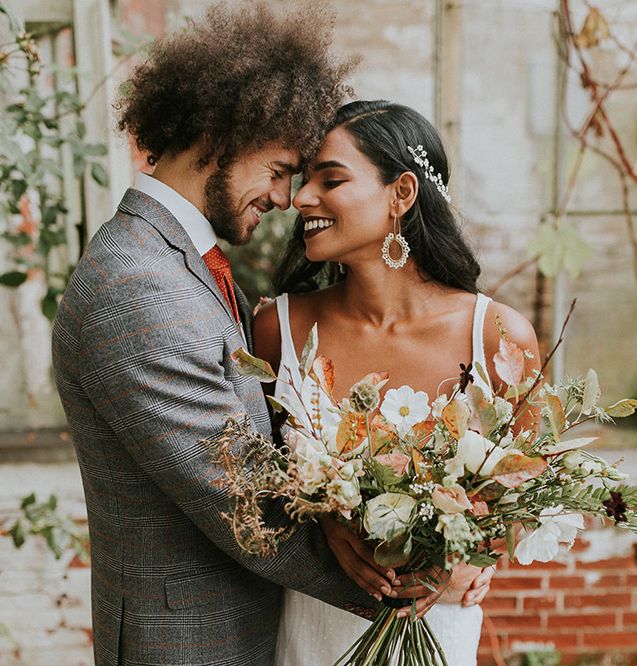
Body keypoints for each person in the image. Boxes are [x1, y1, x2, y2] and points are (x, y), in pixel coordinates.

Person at [51, 6, 418, 665]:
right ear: (218, 133)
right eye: (279, 170)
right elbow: (245, 501)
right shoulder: (135, 287)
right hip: (188, 646)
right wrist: (414, 571)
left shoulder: (186, 265)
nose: (285, 199)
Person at [254, 100, 542, 665]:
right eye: (302, 179)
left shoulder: (498, 335)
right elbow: (247, 480)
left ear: (401, 194)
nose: (301, 197)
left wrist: (474, 556)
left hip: (437, 628)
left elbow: (529, 494)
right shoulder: (277, 328)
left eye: (330, 179)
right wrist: (325, 527)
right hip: (312, 628)